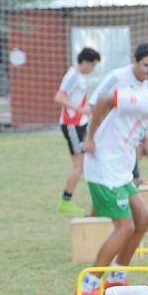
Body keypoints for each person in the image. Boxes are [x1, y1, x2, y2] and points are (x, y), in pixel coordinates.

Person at [81, 56, 148, 295]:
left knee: (143, 220)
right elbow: (104, 100)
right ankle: (89, 286)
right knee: (124, 228)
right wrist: (90, 137)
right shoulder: (142, 98)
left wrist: (144, 141)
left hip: (120, 172)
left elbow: (130, 124)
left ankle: (116, 277)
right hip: (104, 170)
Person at [90, 43, 148, 193]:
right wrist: (93, 136)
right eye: (145, 65)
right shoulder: (117, 77)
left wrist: (145, 137)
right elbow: (95, 103)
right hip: (109, 139)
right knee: (116, 182)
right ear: (134, 60)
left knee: (123, 180)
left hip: (128, 139)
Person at [55, 47, 102, 214]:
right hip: (71, 125)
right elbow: (59, 97)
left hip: (80, 124)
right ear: (86, 62)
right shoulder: (73, 75)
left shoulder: (79, 76)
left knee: (91, 160)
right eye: (93, 65)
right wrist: (79, 109)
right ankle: (65, 202)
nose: (93, 69)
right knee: (78, 165)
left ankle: (99, 198)